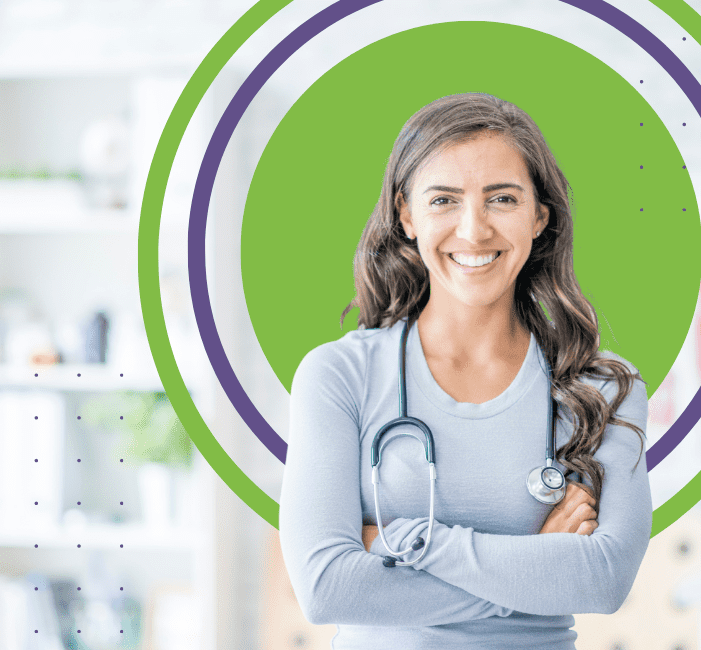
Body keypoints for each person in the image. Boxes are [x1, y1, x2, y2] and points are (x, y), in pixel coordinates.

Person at [278, 92, 652, 649]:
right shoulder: (339, 376)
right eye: (444, 200)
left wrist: (408, 541)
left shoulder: (599, 387)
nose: (474, 230)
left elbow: (601, 581)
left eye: (501, 199)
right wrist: (534, 562)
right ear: (406, 215)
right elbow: (327, 588)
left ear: (539, 215)